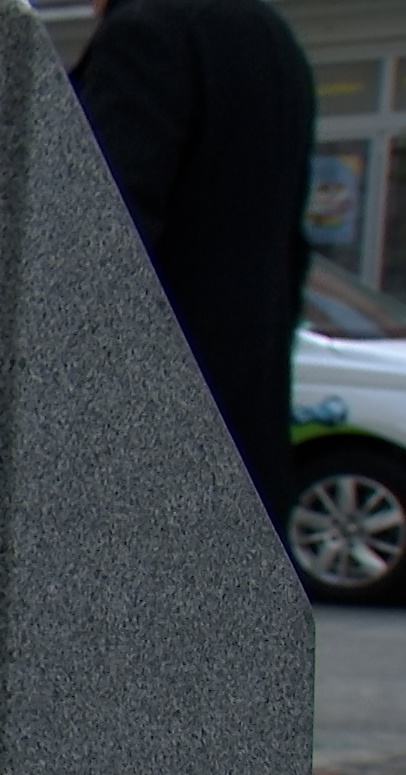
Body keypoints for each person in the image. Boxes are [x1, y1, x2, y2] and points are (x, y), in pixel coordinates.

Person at [71, 0, 315, 531]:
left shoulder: (146, 36)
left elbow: (102, 234)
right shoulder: (270, 35)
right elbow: (290, 248)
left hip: (155, 428)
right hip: (246, 418)